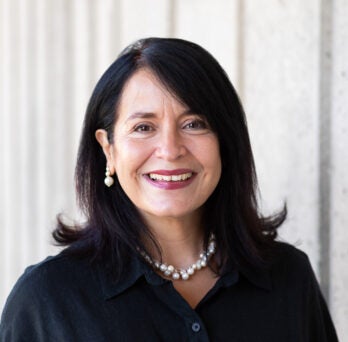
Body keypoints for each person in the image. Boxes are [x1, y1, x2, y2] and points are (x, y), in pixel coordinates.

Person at [0, 37, 338, 341]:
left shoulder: (289, 278)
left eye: (193, 124)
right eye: (144, 127)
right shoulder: (47, 299)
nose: (170, 149)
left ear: (226, 142)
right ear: (108, 149)